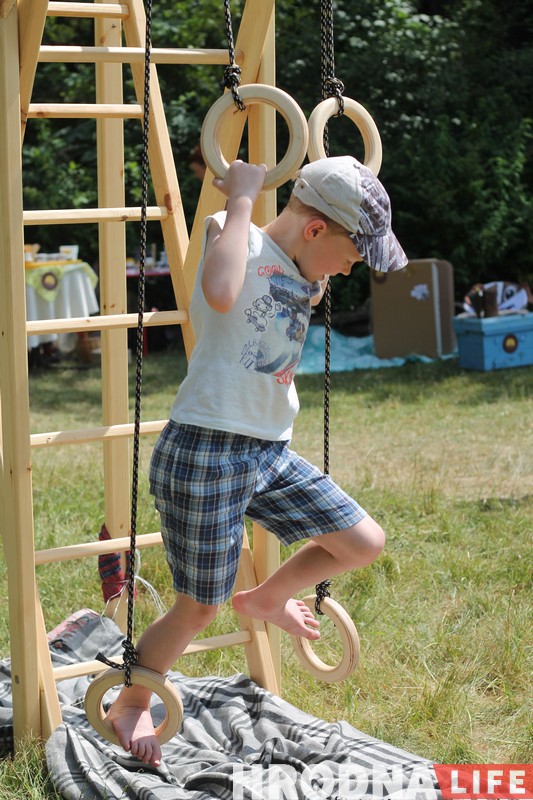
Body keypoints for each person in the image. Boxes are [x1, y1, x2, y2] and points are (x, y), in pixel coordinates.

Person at [106, 155, 408, 767]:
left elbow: (323, 226)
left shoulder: (306, 270)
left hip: (268, 452)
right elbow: (218, 294)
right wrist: (243, 196)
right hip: (205, 452)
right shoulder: (232, 233)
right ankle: (131, 700)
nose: (354, 269)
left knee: (363, 541)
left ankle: (265, 598)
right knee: (199, 605)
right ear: (318, 230)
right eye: (355, 254)